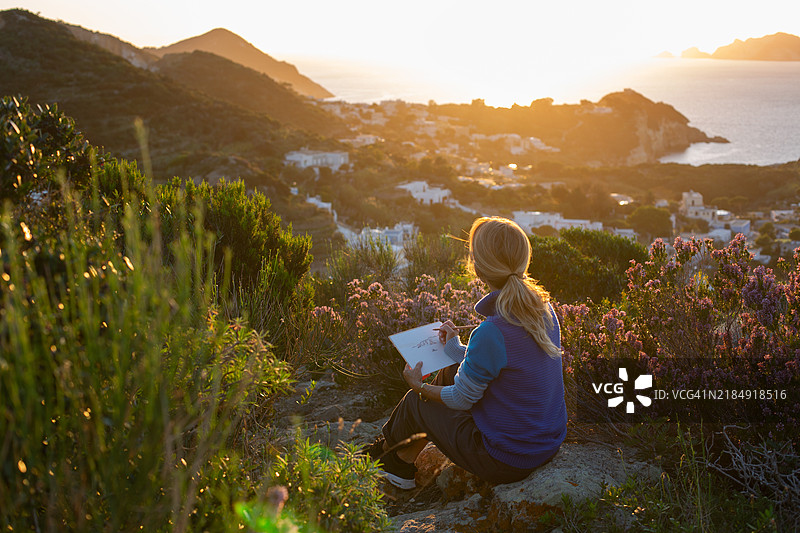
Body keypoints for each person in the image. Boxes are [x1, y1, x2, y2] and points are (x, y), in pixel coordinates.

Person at [363, 216, 567, 489]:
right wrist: (455, 348)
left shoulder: (492, 331)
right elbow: (501, 364)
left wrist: (418, 386)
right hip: (544, 443)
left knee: (415, 401)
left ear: (479, 270)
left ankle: (391, 460)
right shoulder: (542, 308)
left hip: (506, 460)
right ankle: (398, 456)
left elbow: (461, 398)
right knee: (450, 370)